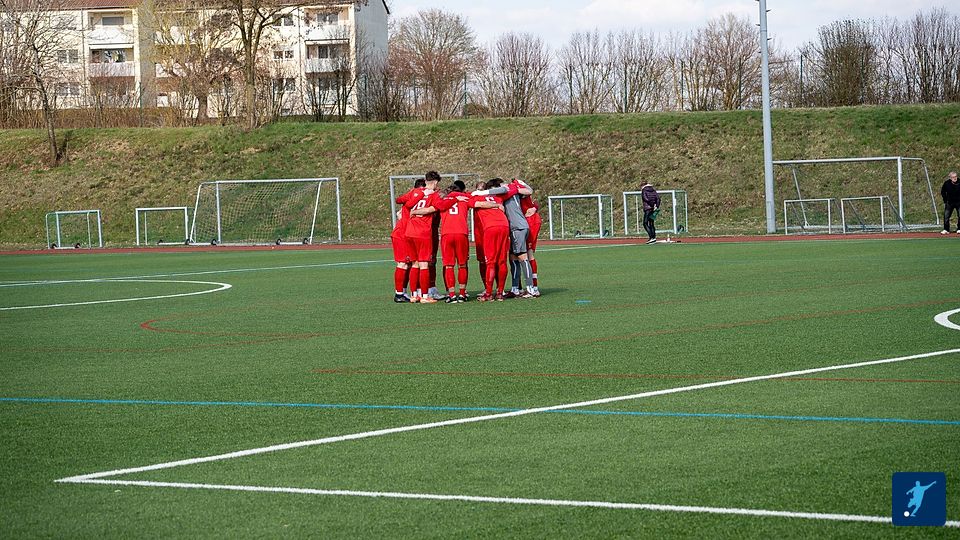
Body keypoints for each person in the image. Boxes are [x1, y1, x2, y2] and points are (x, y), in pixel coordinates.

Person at [472, 178, 535, 298]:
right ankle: (515, 289)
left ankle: (531, 288)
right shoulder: (511, 191)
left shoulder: (505, 191)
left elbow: (504, 190)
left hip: (517, 227)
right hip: (515, 227)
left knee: (523, 257)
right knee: (512, 258)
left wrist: (481, 193)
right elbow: (529, 190)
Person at [410, 181, 472, 303]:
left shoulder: (441, 199)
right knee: (462, 264)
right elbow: (479, 201)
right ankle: (462, 294)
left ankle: (451, 295)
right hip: (461, 233)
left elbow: (433, 208)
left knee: (448, 265)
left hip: (446, 234)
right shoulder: (465, 197)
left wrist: (414, 212)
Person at [468, 178, 518, 301]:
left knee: (490, 262)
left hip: (490, 228)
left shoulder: (474, 196)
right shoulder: (497, 197)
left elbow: (478, 204)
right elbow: (512, 190)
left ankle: (489, 293)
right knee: (502, 261)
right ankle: (500, 293)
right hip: (504, 225)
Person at [403, 171, 442, 303]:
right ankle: (425, 296)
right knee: (424, 264)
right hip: (423, 232)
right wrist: (416, 211)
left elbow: (404, 202)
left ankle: (414, 295)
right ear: (435, 182)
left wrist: (412, 211)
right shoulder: (434, 195)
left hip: (410, 231)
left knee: (415, 264)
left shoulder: (416, 192)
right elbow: (431, 209)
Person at [390, 178, 425, 302]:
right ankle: (399, 294)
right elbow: (401, 200)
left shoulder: (414, 196)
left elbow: (400, 200)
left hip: (407, 234)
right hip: (402, 235)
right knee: (403, 263)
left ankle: (404, 292)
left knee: (410, 263)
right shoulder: (417, 195)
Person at [520, 194, 542, 296]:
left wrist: (534, 207)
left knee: (528, 254)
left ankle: (534, 287)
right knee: (522, 254)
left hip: (531, 221)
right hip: (527, 221)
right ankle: (523, 288)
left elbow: (529, 192)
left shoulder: (516, 190)